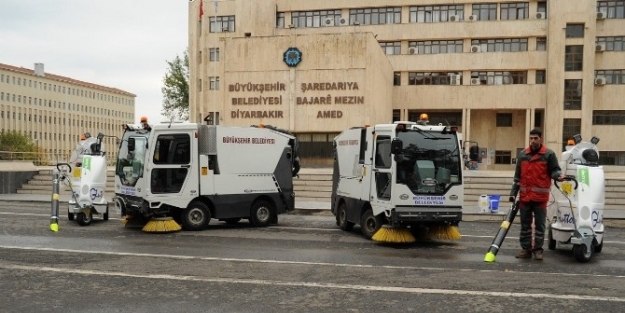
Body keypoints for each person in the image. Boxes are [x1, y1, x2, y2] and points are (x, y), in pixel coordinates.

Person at [510, 128, 565, 261]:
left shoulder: (548, 155)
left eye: (535, 138)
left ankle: (538, 250)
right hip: (525, 197)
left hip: (540, 198)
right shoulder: (523, 155)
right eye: (531, 138)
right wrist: (513, 193)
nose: (533, 140)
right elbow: (517, 177)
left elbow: (555, 170)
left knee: (540, 226)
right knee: (525, 225)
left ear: (541, 138)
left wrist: (558, 177)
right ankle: (526, 249)